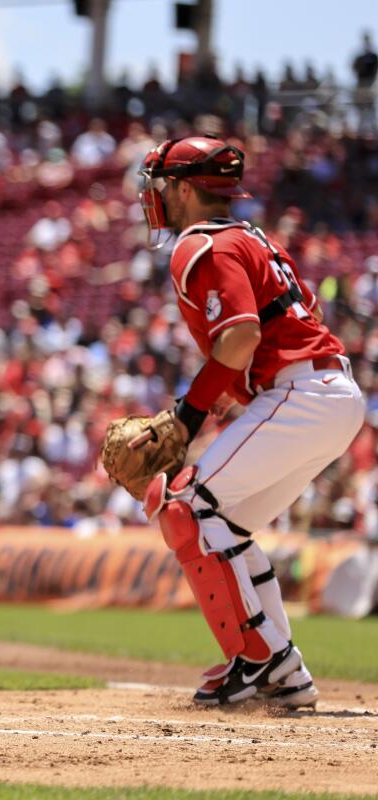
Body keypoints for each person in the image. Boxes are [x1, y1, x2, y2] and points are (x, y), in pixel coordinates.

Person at [134, 136, 365, 708]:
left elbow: (241, 335)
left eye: (164, 185)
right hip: (326, 391)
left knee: (188, 506)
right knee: (225, 522)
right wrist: (225, 396)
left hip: (305, 393)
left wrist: (187, 417)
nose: (158, 195)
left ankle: (262, 659)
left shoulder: (199, 245)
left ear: (185, 189)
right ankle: (281, 670)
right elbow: (281, 325)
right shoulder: (253, 238)